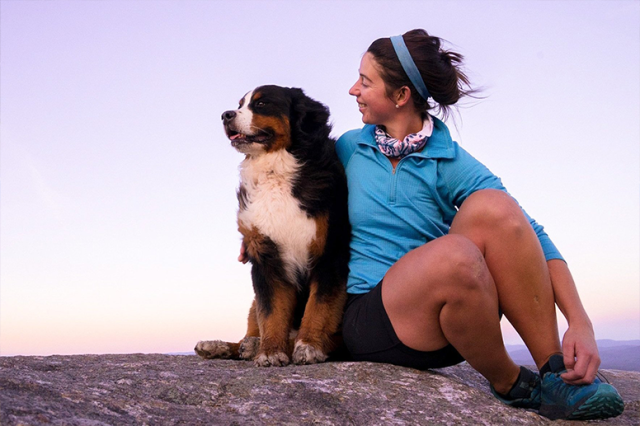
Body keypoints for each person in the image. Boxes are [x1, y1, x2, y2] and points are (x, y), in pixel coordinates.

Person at [334, 29, 624, 421]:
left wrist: (580, 321)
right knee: (456, 254)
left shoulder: (450, 159)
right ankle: (510, 383)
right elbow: (294, 192)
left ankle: (556, 375)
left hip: (444, 321)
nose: (354, 89)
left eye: (366, 82)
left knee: (496, 206)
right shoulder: (350, 148)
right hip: (364, 317)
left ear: (401, 96)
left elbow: (527, 233)